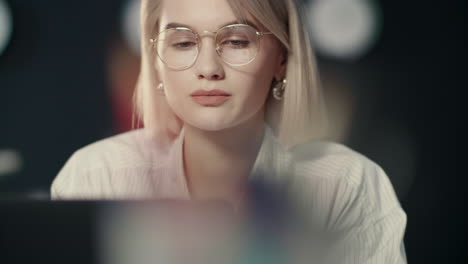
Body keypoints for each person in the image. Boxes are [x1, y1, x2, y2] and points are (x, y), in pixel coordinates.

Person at [51, 0, 407, 262]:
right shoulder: (98, 176)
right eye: (183, 43)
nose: (208, 68)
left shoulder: (346, 185)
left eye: (237, 42)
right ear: (156, 61)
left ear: (282, 58)